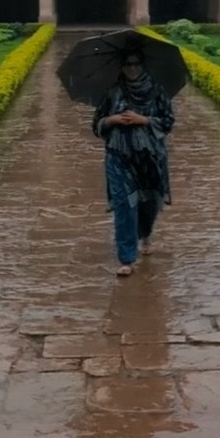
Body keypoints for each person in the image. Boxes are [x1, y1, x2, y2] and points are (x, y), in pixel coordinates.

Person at [92, 50, 175, 276]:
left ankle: (145, 234)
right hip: (119, 155)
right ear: (121, 66)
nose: (132, 68)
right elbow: (96, 125)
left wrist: (144, 119)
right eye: (128, 64)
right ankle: (126, 257)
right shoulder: (113, 92)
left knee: (148, 202)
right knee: (124, 204)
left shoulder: (157, 91)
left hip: (150, 157)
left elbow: (168, 122)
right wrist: (111, 119)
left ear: (143, 65)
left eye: (136, 63)